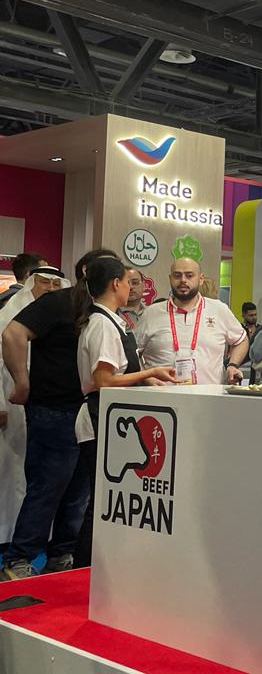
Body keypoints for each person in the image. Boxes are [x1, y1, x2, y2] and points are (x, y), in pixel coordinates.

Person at [0, 248, 117, 580]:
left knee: (79, 492)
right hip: (53, 410)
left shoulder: (102, 312)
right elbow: (12, 334)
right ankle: (19, 559)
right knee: (48, 487)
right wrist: (22, 381)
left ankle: (60, 554)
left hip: (86, 413)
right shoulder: (58, 302)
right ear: (85, 273)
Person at [73, 256, 176, 567]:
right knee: (101, 499)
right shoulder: (103, 324)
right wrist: (148, 373)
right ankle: (84, 568)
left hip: (112, 418)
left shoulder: (110, 320)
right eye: (129, 282)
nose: (133, 289)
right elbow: (103, 380)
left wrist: (150, 380)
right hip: (100, 417)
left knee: (106, 499)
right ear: (115, 284)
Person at [0, 266, 70, 549]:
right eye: (44, 283)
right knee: (12, 469)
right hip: (11, 401)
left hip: (47, 406)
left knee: (45, 474)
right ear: (31, 283)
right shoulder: (8, 314)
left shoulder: (63, 313)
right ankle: (7, 534)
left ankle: (43, 535)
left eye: (56, 283)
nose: (50, 288)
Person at [135, 258, 248, 385]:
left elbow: (241, 340)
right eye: (177, 275)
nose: (183, 280)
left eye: (189, 275)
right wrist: (145, 376)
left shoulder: (219, 309)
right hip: (162, 398)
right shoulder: (151, 313)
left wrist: (232, 365)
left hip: (209, 398)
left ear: (200, 279)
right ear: (170, 279)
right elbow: (132, 353)